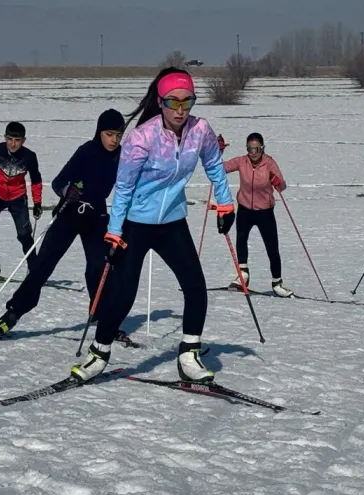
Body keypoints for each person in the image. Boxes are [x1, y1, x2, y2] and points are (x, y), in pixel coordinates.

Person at [70, 67, 235, 384]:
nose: (181, 109)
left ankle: (189, 354)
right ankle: (99, 353)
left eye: (188, 101)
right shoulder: (142, 137)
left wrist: (226, 204)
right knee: (123, 295)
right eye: (173, 102)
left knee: (196, 288)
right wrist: (114, 232)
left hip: (173, 223)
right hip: (136, 224)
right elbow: (124, 188)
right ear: (160, 102)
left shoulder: (200, 131)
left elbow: (214, 164)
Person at [0, 109, 126, 337]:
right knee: (43, 266)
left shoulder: (122, 156)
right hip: (69, 213)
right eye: (109, 134)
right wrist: (67, 190)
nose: (114, 140)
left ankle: (104, 318)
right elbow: (59, 181)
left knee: (99, 268)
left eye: (118, 135)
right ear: (99, 132)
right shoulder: (86, 151)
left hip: (96, 215)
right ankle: (12, 314)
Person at [218, 132, 293, 297]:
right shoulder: (241, 161)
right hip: (245, 209)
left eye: (257, 149)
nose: (253, 153)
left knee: (272, 247)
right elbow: (219, 169)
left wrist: (277, 182)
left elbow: (282, 186)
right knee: (241, 240)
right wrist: (217, 153)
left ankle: (277, 283)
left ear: (262, 148)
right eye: (250, 149)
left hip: (265, 212)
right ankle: (243, 275)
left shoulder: (269, 163)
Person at [0, 121, 42, 275]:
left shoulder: (29, 157)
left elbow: (36, 180)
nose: (13, 144)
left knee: (24, 235)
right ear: (5, 138)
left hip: (18, 197)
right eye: (10, 139)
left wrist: (37, 203)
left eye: (17, 140)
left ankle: (35, 269)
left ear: (23, 141)